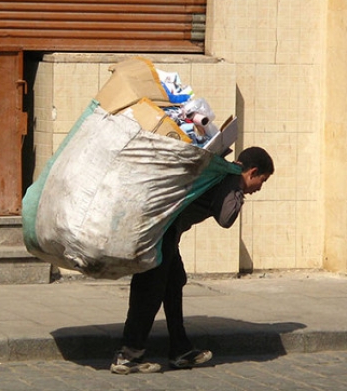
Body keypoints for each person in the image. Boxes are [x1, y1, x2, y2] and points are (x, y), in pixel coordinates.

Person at [110, 146, 274, 375]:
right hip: (161, 232)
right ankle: (128, 355)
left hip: (165, 230)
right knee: (150, 290)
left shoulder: (223, 173)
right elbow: (226, 218)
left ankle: (180, 349)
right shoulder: (231, 180)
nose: (260, 188)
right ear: (252, 172)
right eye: (262, 180)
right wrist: (238, 189)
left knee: (174, 282)